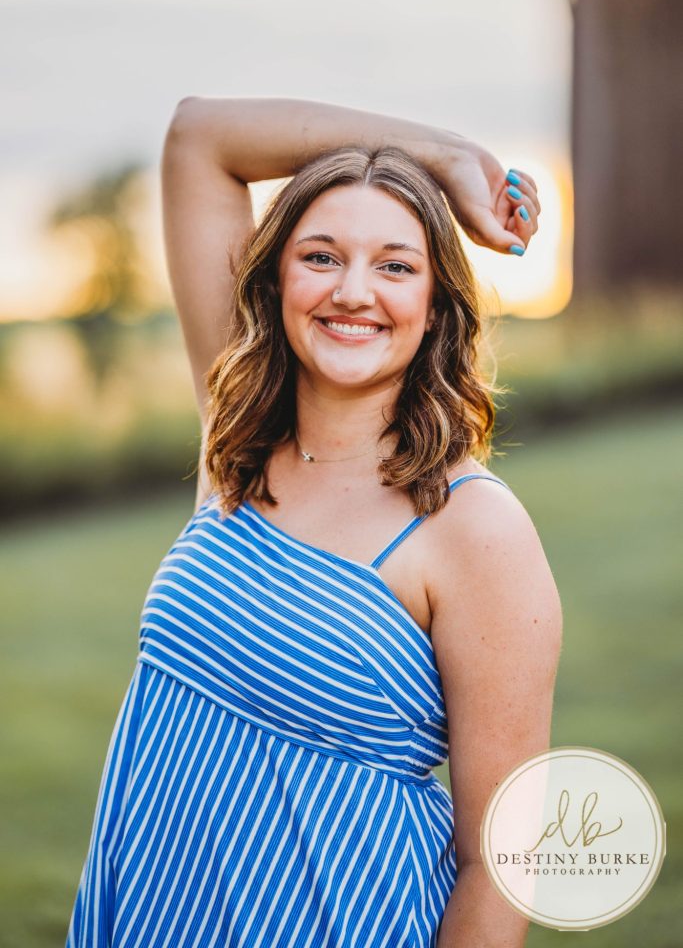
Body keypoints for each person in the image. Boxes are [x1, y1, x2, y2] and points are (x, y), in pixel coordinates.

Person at [66, 98, 562, 948]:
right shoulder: (238, 448)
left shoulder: (472, 526)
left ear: (439, 304)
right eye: (320, 256)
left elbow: (499, 860)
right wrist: (439, 156)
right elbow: (199, 137)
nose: (351, 292)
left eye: (396, 266)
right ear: (274, 281)